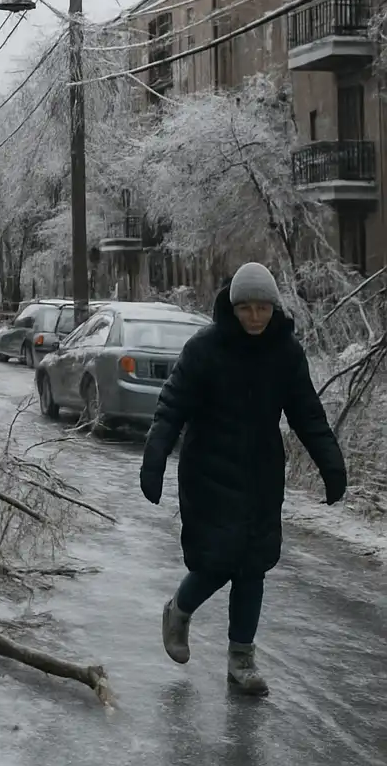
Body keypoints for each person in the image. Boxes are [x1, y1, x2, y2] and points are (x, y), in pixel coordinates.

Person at [140, 262, 346, 695]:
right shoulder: (204, 350)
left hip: (260, 475)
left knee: (253, 567)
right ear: (233, 309)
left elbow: (308, 414)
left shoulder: (286, 353)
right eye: (246, 308)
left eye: (262, 308)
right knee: (216, 561)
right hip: (208, 472)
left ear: (274, 308)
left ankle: (241, 659)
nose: (255, 317)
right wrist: (154, 461)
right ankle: (178, 610)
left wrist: (331, 464)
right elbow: (171, 408)